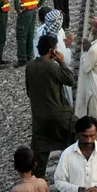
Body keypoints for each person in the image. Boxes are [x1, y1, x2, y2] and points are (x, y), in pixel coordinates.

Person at [25, 36, 76, 175]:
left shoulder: (29, 66)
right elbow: (70, 80)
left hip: (39, 118)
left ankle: (38, 185)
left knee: (39, 156)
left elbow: (29, 92)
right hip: (59, 116)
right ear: (51, 51)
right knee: (80, 135)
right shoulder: (52, 66)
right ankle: (74, 174)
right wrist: (62, 62)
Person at [13, 0, 40, 67]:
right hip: (33, 12)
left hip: (25, 13)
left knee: (21, 36)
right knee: (30, 34)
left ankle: (22, 59)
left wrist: (18, 10)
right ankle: (30, 56)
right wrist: (38, 5)